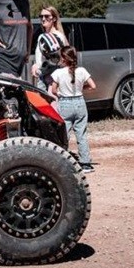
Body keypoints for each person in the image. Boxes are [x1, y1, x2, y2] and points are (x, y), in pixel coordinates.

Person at [49, 45, 96, 173]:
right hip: (80, 102)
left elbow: (53, 90)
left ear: (63, 59)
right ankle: (86, 163)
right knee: (81, 134)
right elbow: (93, 86)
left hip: (65, 104)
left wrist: (60, 94)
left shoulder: (58, 73)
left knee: (64, 134)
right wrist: (82, 89)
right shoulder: (82, 71)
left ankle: (62, 162)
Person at [31, 5, 69, 89]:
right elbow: (41, 57)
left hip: (52, 77)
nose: (43, 19)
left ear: (54, 19)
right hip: (42, 76)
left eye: (47, 16)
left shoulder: (58, 36)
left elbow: (57, 60)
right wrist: (35, 65)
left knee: (52, 101)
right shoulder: (42, 36)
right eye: (41, 16)